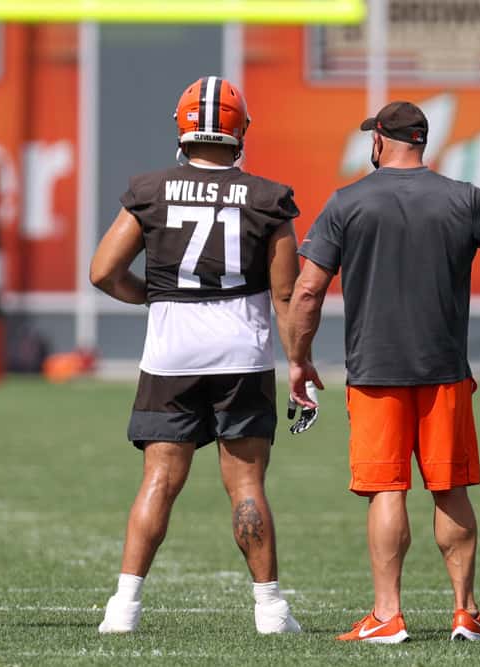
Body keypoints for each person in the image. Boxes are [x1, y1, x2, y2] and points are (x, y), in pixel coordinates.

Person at [286, 101, 480, 643]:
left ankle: (386, 616)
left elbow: (307, 290)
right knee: (449, 489)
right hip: (445, 370)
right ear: (421, 142)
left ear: (380, 140)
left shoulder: (347, 202)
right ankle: (465, 612)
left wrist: (298, 359)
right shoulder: (463, 198)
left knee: (386, 490)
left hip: (375, 372)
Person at [90, 76, 315, 635]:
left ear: (182, 127)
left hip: (173, 350)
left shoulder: (149, 189)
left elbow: (101, 272)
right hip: (242, 351)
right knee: (246, 486)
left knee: (159, 480)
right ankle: (270, 609)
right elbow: (286, 294)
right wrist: (299, 362)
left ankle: (123, 608)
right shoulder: (268, 198)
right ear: (240, 130)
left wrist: (152, 295)